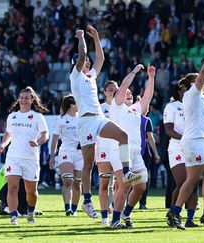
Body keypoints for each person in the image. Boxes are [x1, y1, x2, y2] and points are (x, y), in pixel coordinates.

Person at [70, 25, 141, 220]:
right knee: (88, 164)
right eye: (83, 63)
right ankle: (86, 200)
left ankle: (126, 172)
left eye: (87, 64)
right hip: (85, 122)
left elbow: (100, 59)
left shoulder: (91, 76)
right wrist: (81, 37)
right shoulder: (75, 76)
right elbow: (83, 54)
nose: (87, 64)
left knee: (122, 136)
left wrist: (97, 38)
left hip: (99, 117)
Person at [167, 42, 204, 230]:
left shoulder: (203, 98)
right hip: (193, 142)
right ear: (192, 84)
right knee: (192, 180)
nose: (203, 81)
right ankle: (174, 212)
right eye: (198, 80)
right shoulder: (191, 94)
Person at [109, 64, 157, 229]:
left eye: (130, 93)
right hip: (120, 151)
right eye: (126, 93)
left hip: (136, 153)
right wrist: (135, 71)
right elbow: (123, 86)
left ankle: (126, 213)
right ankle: (115, 220)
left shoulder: (136, 110)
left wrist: (151, 77)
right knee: (125, 184)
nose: (129, 93)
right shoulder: (117, 107)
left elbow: (147, 97)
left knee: (141, 185)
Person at [0, 87, 49, 225]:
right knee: (12, 187)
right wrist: (3, 145)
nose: (24, 100)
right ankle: (13, 216)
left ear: (32, 100)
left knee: (31, 191)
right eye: (22, 97)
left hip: (31, 158)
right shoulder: (12, 116)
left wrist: (38, 142)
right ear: (18, 100)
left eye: (27, 98)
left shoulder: (37, 117)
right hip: (13, 157)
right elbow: (8, 134)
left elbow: (45, 135)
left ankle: (30, 211)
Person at [163, 84, 199, 228]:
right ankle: (173, 214)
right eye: (185, 91)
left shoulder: (195, 106)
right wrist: (185, 139)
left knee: (194, 183)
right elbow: (168, 130)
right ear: (179, 91)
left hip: (194, 147)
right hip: (177, 147)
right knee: (184, 182)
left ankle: (190, 219)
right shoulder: (172, 106)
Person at [49, 95, 82, 216]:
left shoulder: (82, 118)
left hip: (80, 154)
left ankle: (74, 209)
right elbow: (54, 140)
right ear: (72, 105)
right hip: (66, 152)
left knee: (77, 183)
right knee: (68, 180)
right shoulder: (61, 120)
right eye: (78, 103)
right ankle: (67, 208)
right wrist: (52, 156)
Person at [95, 80, 120, 226]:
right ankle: (105, 217)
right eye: (110, 89)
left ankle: (115, 207)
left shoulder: (122, 107)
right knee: (104, 183)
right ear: (104, 92)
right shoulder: (99, 108)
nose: (113, 91)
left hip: (118, 148)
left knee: (120, 184)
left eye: (115, 89)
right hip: (103, 149)